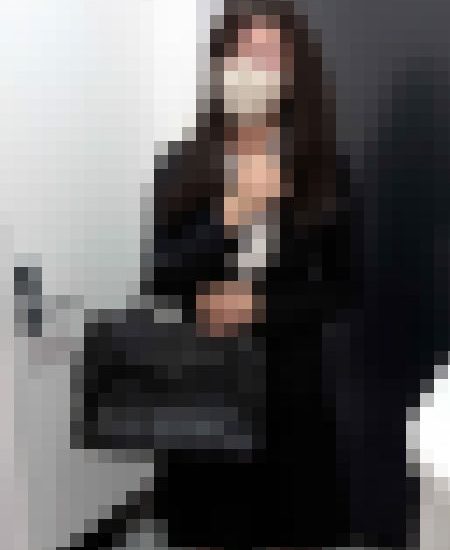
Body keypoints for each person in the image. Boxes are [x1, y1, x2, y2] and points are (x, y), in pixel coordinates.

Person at [74, 0, 424, 548]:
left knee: (294, 531)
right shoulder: (183, 164)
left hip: (292, 401)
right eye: (242, 51)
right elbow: (157, 276)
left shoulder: (323, 173)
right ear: (222, 65)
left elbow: (344, 288)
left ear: (293, 70)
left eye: (270, 54)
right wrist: (231, 214)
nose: (254, 67)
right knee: (206, 532)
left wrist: (259, 306)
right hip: (200, 396)